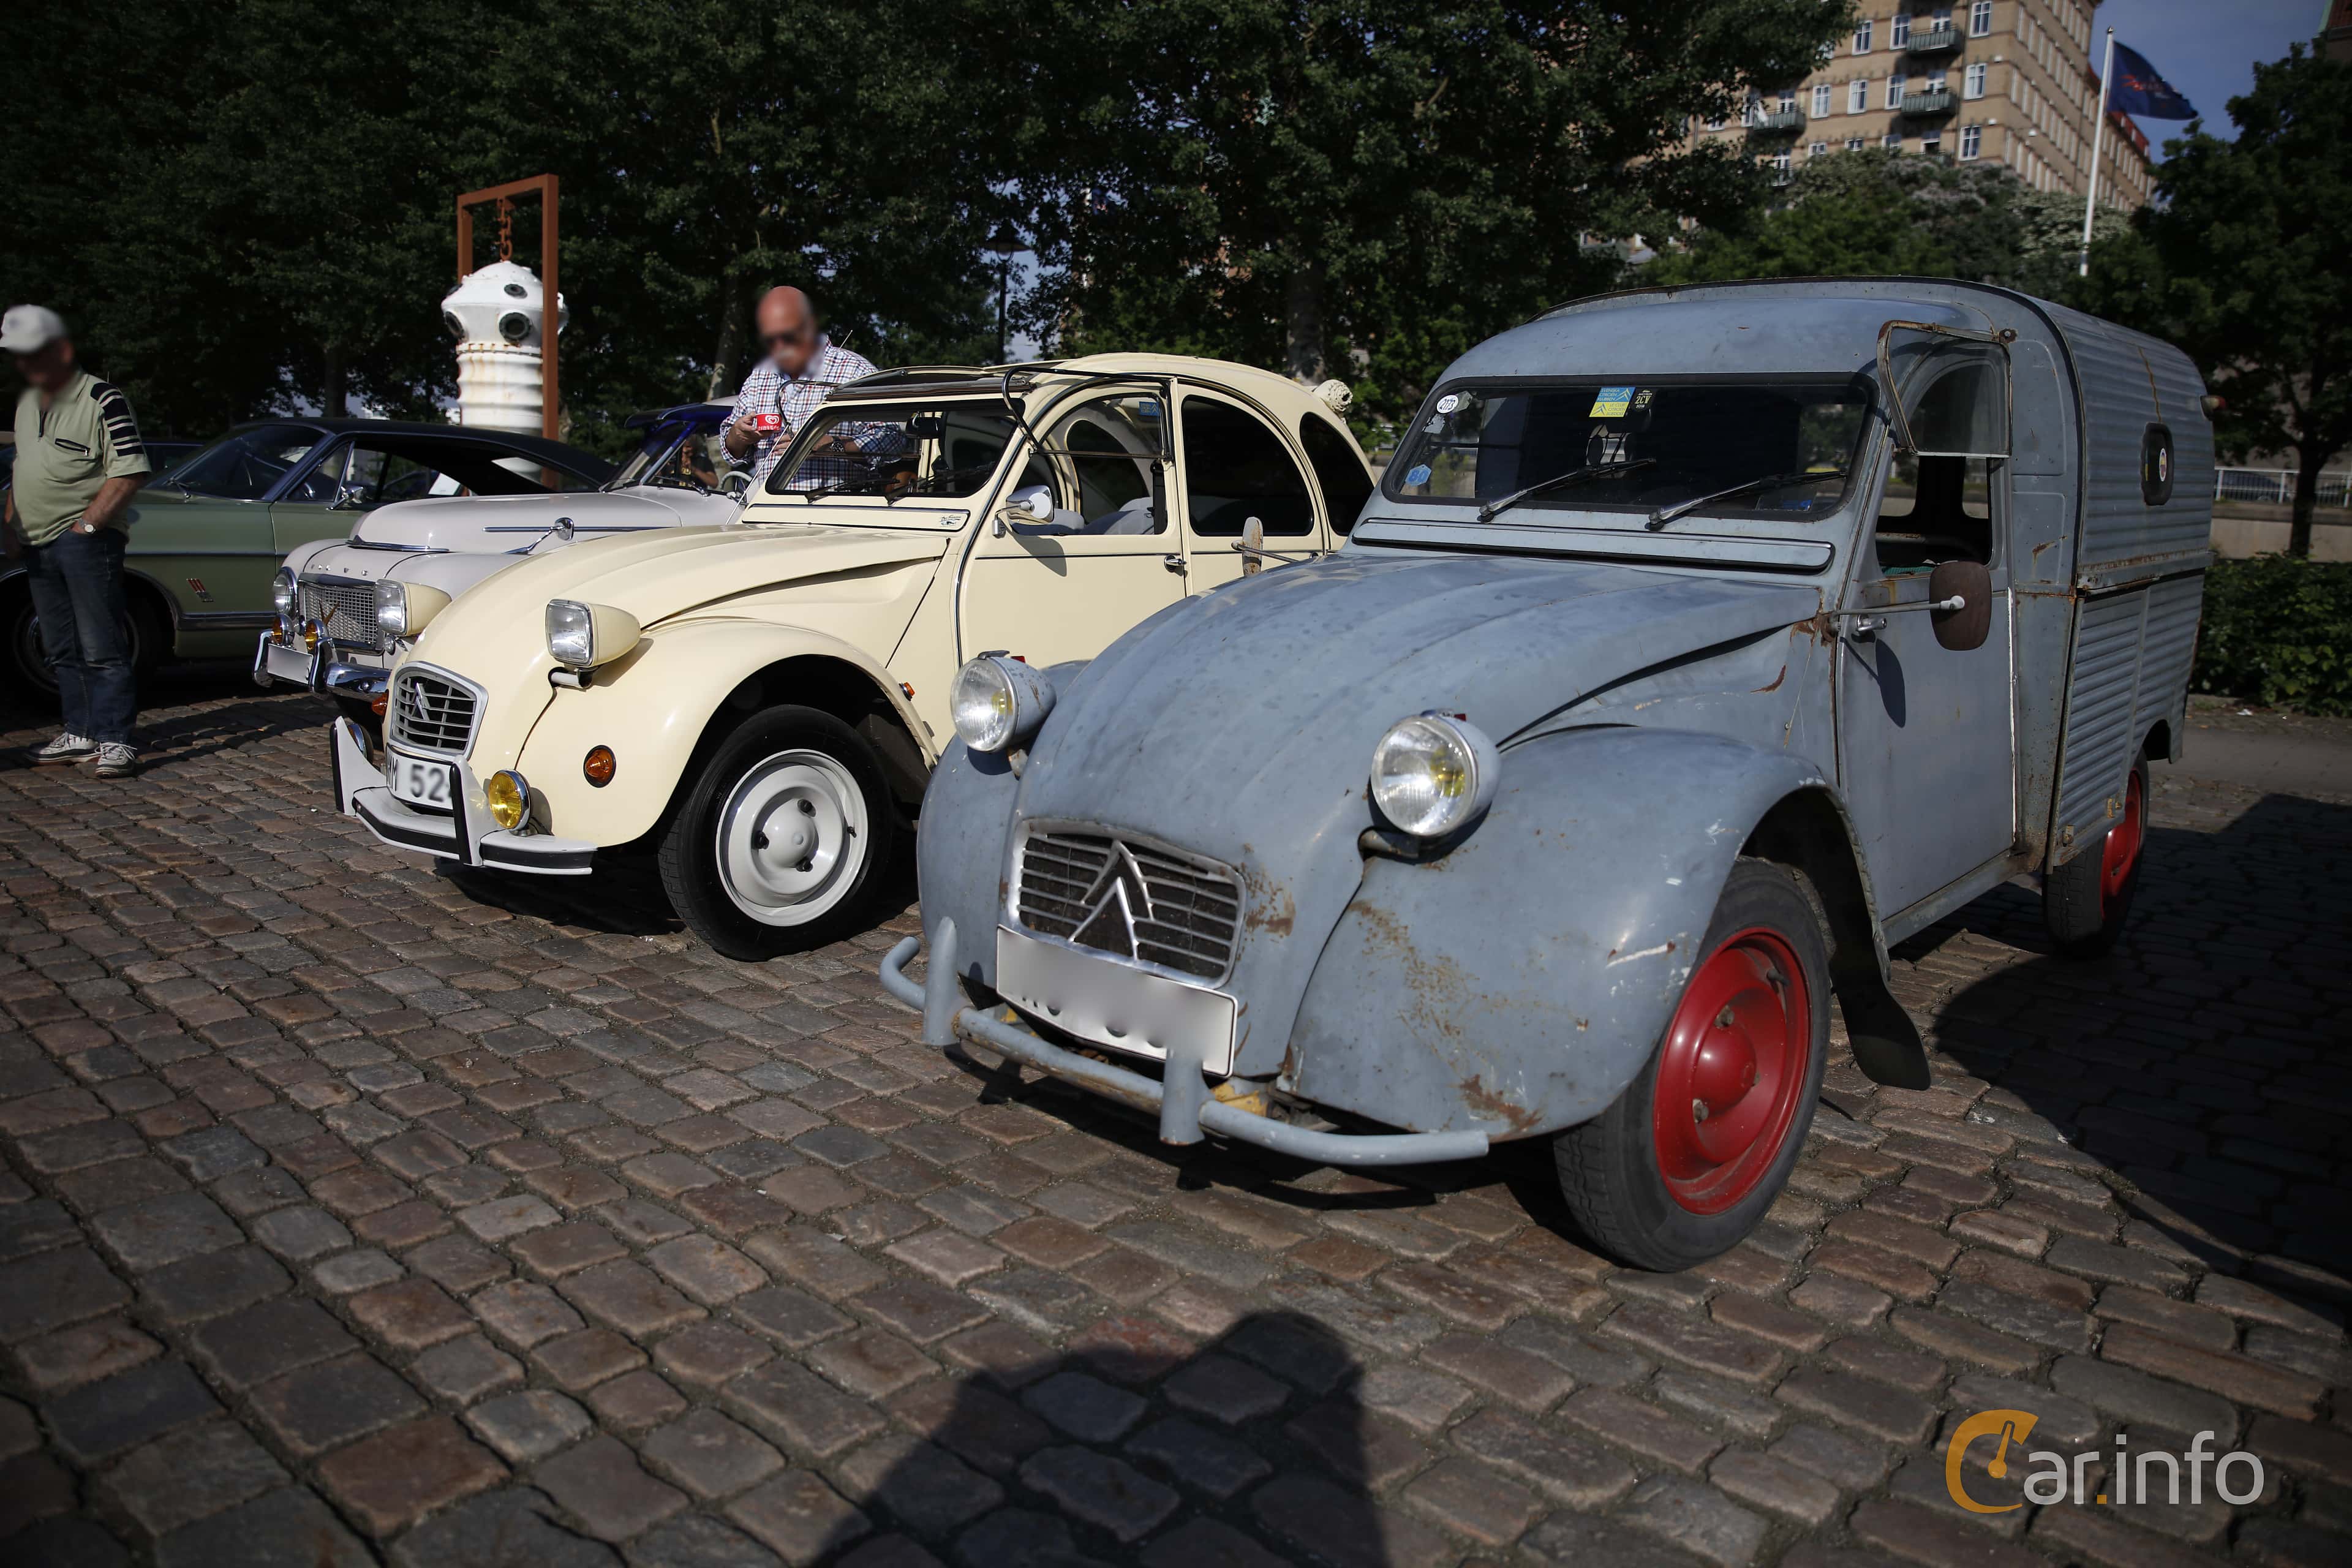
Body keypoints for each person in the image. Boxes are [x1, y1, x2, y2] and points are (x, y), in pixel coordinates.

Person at [2, 306, 149, 777]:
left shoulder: (102, 398)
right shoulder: (27, 404)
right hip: (36, 544)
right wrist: (10, 524)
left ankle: (115, 738)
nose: (24, 364)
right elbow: (22, 470)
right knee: (60, 645)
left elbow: (130, 470)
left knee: (101, 644)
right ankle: (80, 731)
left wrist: (87, 526)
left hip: (85, 543)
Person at [722, 287, 878, 487]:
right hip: (767, 510)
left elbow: (893, 441)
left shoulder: (855, 371)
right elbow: (730, 451)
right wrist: (739, 435)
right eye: (770, 339)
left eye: (787, 336)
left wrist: (832, 446)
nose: (778, 346)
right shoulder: (760, 376)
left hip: (832, 510)